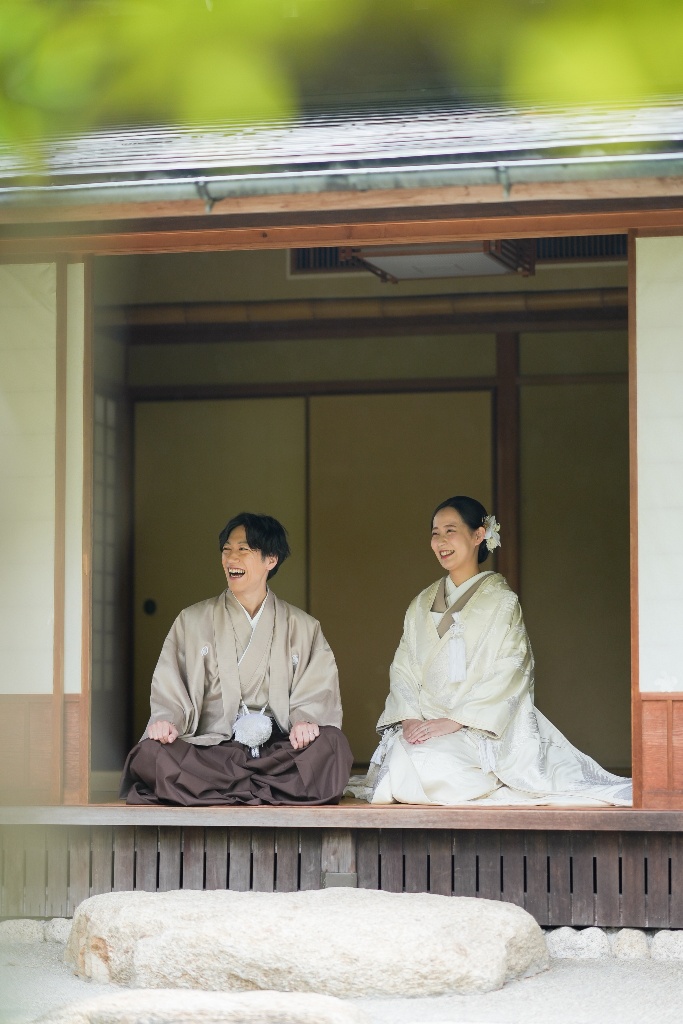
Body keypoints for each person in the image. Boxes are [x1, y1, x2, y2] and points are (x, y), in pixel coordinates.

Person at [349, 495, 632, 806]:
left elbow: (511, 668)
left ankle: (482, 776)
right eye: (435, 533)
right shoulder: (420, 604)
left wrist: (455, 721)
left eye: (450, 531)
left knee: (425, 766)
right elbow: (403, 667)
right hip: (424, 727)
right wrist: (409, 720)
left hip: (475, 730)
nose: (441, 541)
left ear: (478, 535)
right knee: (404, 759)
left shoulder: (501, 602)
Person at [120, 513, 353, 805]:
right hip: (212, 749)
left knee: (332, 744)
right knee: (150, 754)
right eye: (226, 549)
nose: (231, 558)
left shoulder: (303, 627)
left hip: (277, 752)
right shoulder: (192, 621)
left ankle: (225, 789)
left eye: (243, 549)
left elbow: (318, 691)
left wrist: (305, 721)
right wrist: (168, 721)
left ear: (271, 559)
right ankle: (264, 788)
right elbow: (172, 687)